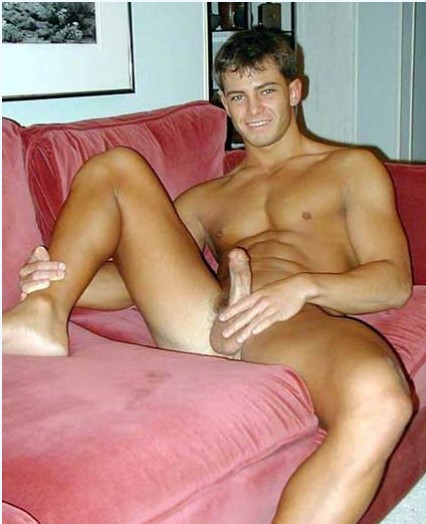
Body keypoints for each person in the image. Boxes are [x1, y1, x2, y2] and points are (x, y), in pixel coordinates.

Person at [3, 28, 414, 524]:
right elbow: (133, 282)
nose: (253, 109)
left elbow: (392, 281)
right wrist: (55, 276)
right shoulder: (207, 197)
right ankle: (42, 316)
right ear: (224, 103)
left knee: (382, 401)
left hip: (291, 322)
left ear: (294, 90)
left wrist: (302, 287)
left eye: (266, 91)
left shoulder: (351, 167)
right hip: (205, 317)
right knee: (116, 167)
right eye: (237, 97)